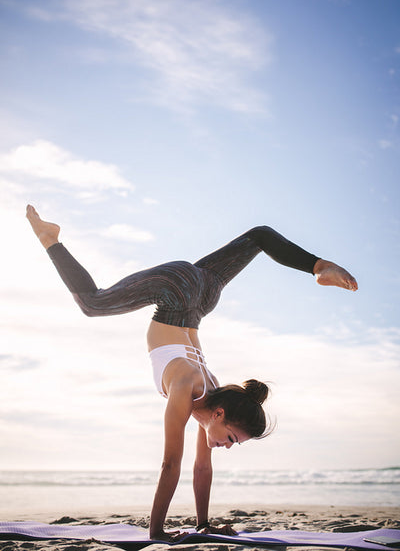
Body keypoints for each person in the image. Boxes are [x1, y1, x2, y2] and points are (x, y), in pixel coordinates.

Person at [26, 205, 357, 540]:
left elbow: (201, 468)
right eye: (231, 438)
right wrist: (157, 533)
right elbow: (171, 464)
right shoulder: (189, 388)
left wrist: (203, 524)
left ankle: (319, 267)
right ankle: (50, 238)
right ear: (220, 414)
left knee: (258, 237)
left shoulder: (210, 402)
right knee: (93, 303)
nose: (226, 446)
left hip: (201, 296)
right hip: (176, 291)